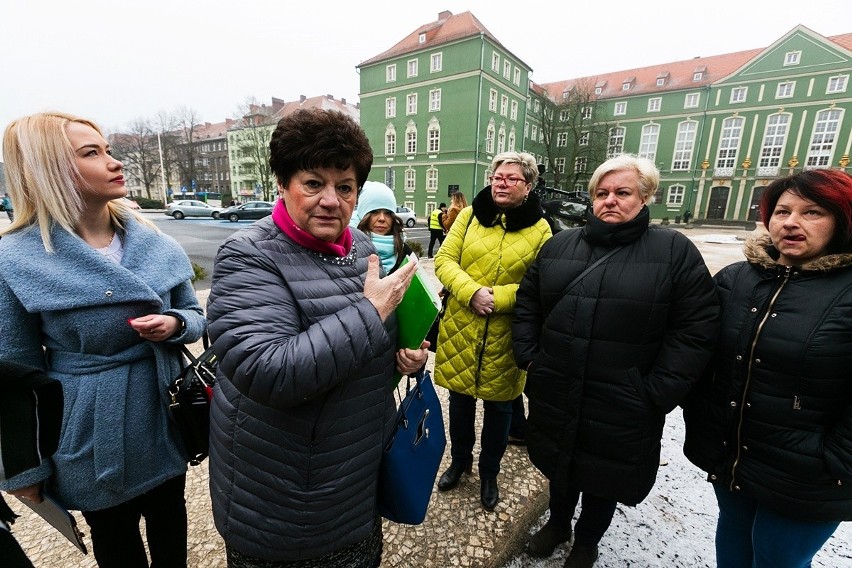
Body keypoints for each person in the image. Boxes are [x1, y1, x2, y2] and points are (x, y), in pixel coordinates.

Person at [205, 108, 428, 568]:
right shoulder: (249, 257)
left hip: (357, 482)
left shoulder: (362, 249)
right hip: (287, 504)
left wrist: (400, 358)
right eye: (313, 183)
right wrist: (372, 313)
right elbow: (266, 371)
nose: (331, 200)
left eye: (345, 187)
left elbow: (363, 348)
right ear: (284, 185)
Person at [0, 112, 207, 567]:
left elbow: (196, 316)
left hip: (163, 408)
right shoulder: (16, 258)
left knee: (172, 527)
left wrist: (175, 324)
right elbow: (12, 368)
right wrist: (23, 464)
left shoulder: (155, 241)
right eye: (92, 153)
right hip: (91, 427)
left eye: (108, 149)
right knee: (116, 545)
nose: (115, 162)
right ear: (45, 168)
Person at [512, 154, 719, 567]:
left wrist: (657, 391)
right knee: (560, 465)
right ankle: (557, 525)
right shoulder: (559, 245)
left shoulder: (673, 250)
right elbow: (527, 304)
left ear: (645, 197)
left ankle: (587, 541)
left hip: (624, 397)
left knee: (603, 477)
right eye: (601, 193)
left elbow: (696, 327)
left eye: (622, 192)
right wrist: (532, 359)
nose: (610, 201)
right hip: (558, 384)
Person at [682, 168, 852, 568]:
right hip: (734, 457)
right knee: (734, 551)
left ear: (842, 221)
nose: (790, 222)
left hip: (808, 475)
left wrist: (837, 460)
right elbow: (696, 348)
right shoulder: (738, 278)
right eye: (781, 211)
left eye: (812, 212)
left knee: (777, 559)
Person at [433, 151, 552, 511]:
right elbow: (443, 260)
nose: (502, 183)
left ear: (528, 185)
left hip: (506, 333)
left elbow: (540, 283)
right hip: (461, 327)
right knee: (460, 402)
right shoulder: (468, 217)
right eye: (497, 177)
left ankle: (489, 473)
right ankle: (461, 461)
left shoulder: (541, 229)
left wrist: (496, 298)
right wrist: (470, 293)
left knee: (500, 409)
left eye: (512, 178)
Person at [356, 180, 413, 274]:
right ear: (363, 215)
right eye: (374, 212)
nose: (382, 219)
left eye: (388, 213)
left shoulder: (403, 251)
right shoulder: (348, 248)